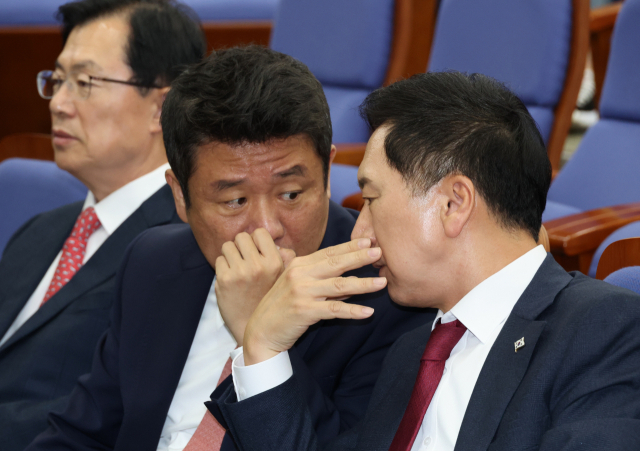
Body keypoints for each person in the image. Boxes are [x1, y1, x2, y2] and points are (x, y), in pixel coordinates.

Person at [26, 46, 434, 451]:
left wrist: (261, 341)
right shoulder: (153, 263)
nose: (268, 228)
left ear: (327, 175)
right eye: (234, 201)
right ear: (180, 196)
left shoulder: (385, 294)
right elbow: (80, 435)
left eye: (291, 194)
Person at [210, 71, 640, 451]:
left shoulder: (607, 328)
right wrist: (262, 347)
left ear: (454, 203)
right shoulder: (412, 353)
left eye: (372, 199)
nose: (360, 233)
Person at [0, 1, 205, 448]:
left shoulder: (186, 245)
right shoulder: (40, 229)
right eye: (57, 80)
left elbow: (115, 408)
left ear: (162, 107)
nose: (59, 103)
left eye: (85, 82)